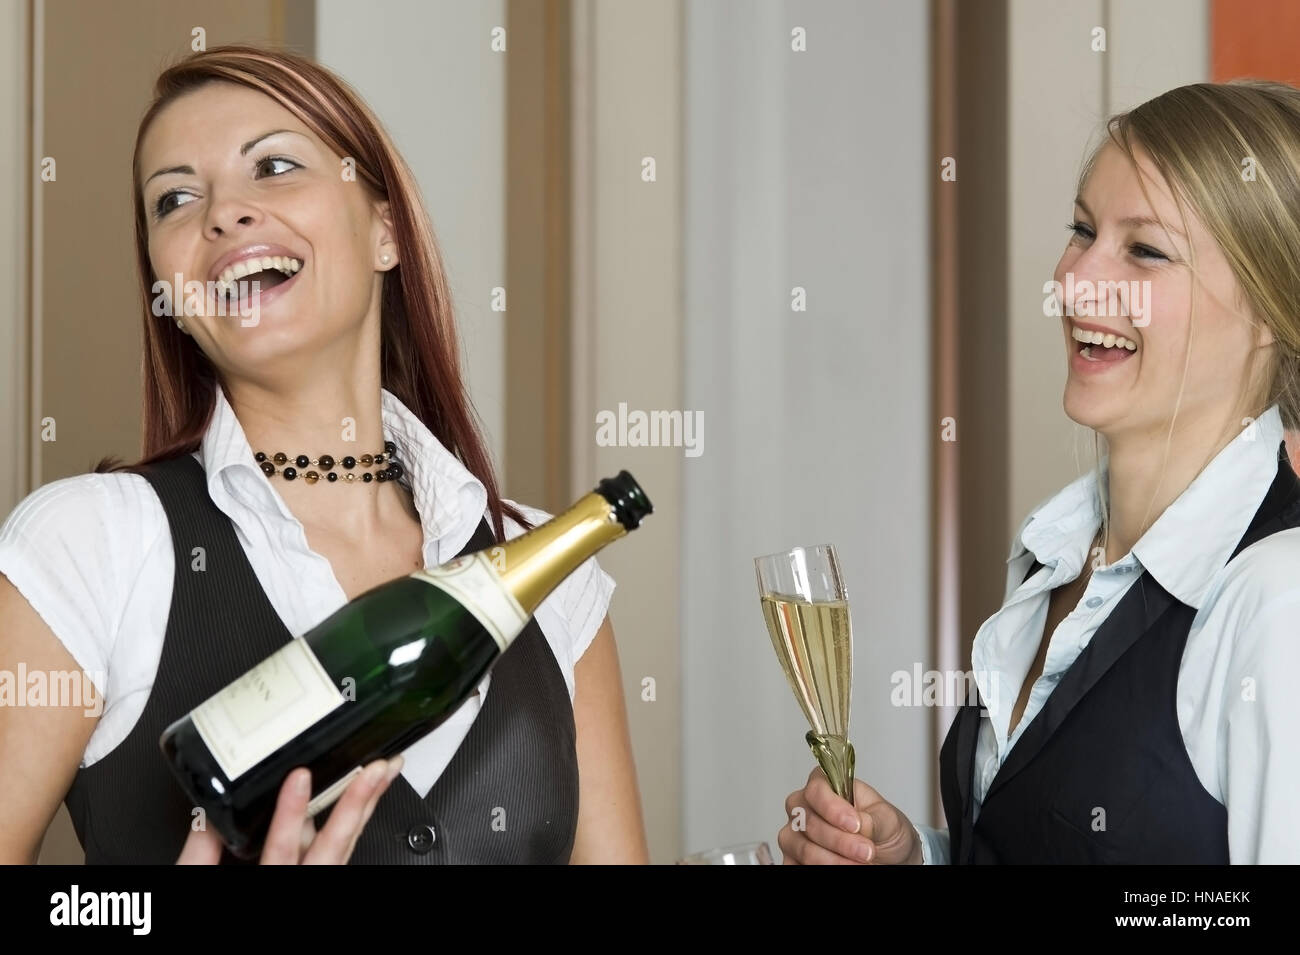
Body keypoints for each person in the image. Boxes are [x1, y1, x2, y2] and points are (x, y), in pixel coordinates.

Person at [0, 44, 647, 865]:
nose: (223, 214)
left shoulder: (554, 573)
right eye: (174, 199)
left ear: (385, 231)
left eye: (272, 166)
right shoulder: (91, 545)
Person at [779, 79, 1300, 865]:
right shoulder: (1059, 554)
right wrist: (916, 856)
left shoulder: (1277, 600)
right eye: (1083, 229)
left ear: (1269, 311)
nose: (1078, 279)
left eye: (1145, 249)